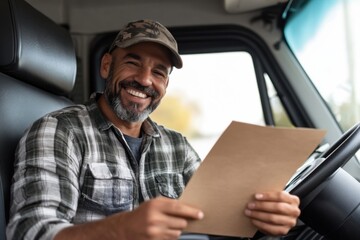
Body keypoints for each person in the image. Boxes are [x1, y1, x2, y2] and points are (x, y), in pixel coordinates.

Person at [6, 19, 300, 240]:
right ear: (107, 66)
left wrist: (264, 218)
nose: (145, 80)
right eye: (133, 63)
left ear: (165, 85)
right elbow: (30, 230)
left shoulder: (177, 146)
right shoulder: (59, 131)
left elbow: (217, 218)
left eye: (159, 72)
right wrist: (120, 229)